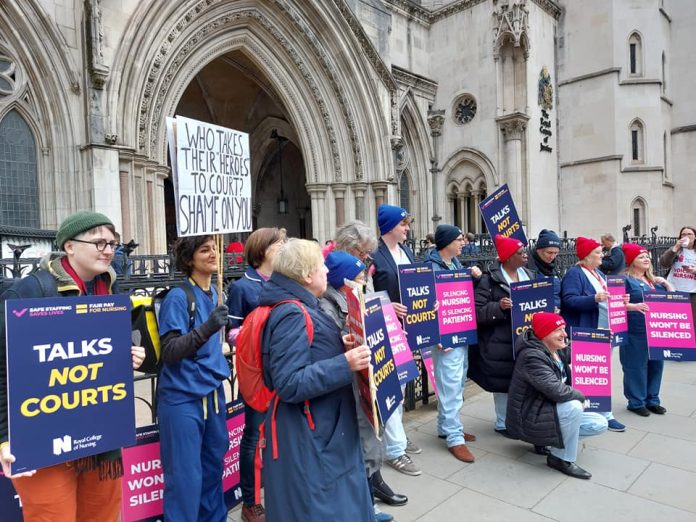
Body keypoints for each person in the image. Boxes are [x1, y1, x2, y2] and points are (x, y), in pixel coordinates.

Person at [0, 211, 145, 521]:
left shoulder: (111, 290)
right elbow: (4, 369)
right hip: (42, 442)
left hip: (100, 439)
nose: (108, 250)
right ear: (68, 246)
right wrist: (4, 437)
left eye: (112, 243)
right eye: (98, 242)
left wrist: (128, 356)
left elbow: (102, 355)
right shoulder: (30, 292)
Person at [257, 239, 374, 522]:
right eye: (321, 266)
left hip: (324, 430)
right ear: (307, 275)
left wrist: (338, 344)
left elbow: (309, 353)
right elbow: (289, 382)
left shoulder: (303, 305)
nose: (326, 271)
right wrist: (343, 363)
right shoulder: (291, 313)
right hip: (311, 436)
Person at [157, 235, 231, 522]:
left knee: (213, 471)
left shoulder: (215, 291)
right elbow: (171, 351)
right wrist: (209, 327)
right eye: (204, 250)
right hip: (182, 398)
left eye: (215, 248)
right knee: (185, 480)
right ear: (189, 259)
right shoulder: (178, 297)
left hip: (212, 394)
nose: (213, 254)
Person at [332, 221, 405, 509]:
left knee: (375, 425)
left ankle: (374, 481)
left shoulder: (360, 272)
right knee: (363, 431)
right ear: (349, 250)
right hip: (355, 368)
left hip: (374, 357)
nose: (367, 260)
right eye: (363, 254)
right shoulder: (339, 277)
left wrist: (385, 308)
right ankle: (366, 492)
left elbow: (369, 301)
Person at [319, 251, 395, 522]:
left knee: (370, 437)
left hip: (364, 381)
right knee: (363, 442)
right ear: (343, 279)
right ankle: (364, 508)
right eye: (359, 275)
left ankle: (366, 502)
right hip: (352, 384)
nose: (364, 279)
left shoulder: (352, 296)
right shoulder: (329, 306)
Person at [226, 227, 286, 522]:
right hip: (256, 375)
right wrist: (261, 334)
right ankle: (251, 501)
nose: (284, 248)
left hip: (282, 371)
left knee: (280, 434)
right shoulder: (242, 287)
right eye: (279, 244)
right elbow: (232, 334)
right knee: (252, 438)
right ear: (263, 251)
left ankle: (277, 491)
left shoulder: (283, 282)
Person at [506, 312, 608, 479]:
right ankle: (560, 458)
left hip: (546, 409)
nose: (564, 334)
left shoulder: (553, 349)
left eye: (564, 328)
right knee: (574, 406)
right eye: (558, 330)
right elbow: (557, 391)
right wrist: (581, 396)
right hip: (529, 418)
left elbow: (576, 350)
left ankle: (546, 441)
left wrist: (600, 338)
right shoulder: (532, 356)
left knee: (599, 424)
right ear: (544, 333)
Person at [370, 204, 421, 476]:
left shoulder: (406, 252)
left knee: (400, 388)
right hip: (386, 330)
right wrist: (388, 307)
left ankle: (397, 436)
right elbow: (364, 297)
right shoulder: (374, 256)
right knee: (391, 388)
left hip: (406, 330)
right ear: (390, 226)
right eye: (404, 224)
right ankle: (394, 451)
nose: (407, 229)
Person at [423, 224, 482, 462]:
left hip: (459, 329)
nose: (463, 242)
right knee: (450, 386)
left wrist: (470, 276)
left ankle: (445, 426)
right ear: (447, 242)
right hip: (445, 336)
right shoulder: (430, 268)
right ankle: (454, 438)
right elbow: (426, 305)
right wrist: (437, 335)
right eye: (459, 239)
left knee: (456, 382)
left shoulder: (454, 264)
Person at [470, 235, 534, 437]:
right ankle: (503, 422)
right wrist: (499, 307)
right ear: (507, 258)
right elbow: (477, 312)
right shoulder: (490, 280)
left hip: (525, 338)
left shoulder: (529, 275)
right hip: (501, 341)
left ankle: (519, 418)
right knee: (503, 383)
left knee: (523, 379)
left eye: (524, 252)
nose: (525, 256)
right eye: (520, 253)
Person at [560, 236, 626, 433]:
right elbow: (569, 300)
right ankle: (596, 413)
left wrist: (622, 299)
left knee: (601, 373)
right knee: (589, 374)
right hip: (587, 330)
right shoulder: (575, 273)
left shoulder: (597, 273)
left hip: (604, 330)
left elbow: (608, 297)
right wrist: (594, 298)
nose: (602, 255)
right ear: (587, 256)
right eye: (598, 252)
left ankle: (604, 412)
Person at [622, 243, 674, 416]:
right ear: (631, 261)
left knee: (656, 365)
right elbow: (615, 305)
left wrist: (667, 284)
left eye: (647, 256)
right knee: (636, 366)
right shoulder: (624, 280)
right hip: (635, 330)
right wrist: (632, 305)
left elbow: (672, 301)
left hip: (656, 329)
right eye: (641, 257)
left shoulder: (653, 280)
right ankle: (636, 402)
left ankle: (652, 399)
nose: (646, 259)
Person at [659, 226, 696, 320]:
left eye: (689, 234)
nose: (686, 236)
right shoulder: (676, 250)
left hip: (692, 292)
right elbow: (664, 263)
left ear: (695, 236)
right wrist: (675, 248)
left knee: (692, 321)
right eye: (683, 234)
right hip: (674, 289)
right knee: (676, 319)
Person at [526, 229, 562, 311]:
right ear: (539, 250)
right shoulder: (526, 265)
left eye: (556, 253)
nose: (552, 257)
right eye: (549, 252)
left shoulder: (554, 267)